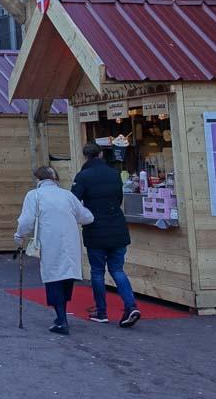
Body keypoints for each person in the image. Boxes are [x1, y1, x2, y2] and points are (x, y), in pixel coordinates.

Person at [14, 166, 95, 335]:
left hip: (50, 240)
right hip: (70, 241)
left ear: (39, 179)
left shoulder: (34, 195)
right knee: (66, 276)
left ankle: (61, 319)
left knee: (54, 277)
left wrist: (19, 235)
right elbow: (86, 217)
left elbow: (26, 220)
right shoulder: (67, 195)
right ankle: (61, 316)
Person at [73, 143, 141, 328]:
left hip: (95, 228)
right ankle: (130, 305)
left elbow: (74, 201)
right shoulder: (114, 174)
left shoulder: (83, 176)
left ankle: (101, 311)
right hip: (117, 227)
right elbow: (119, 199)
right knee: (117, 270)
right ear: (101, 154)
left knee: (97, 271)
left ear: (85, 156)